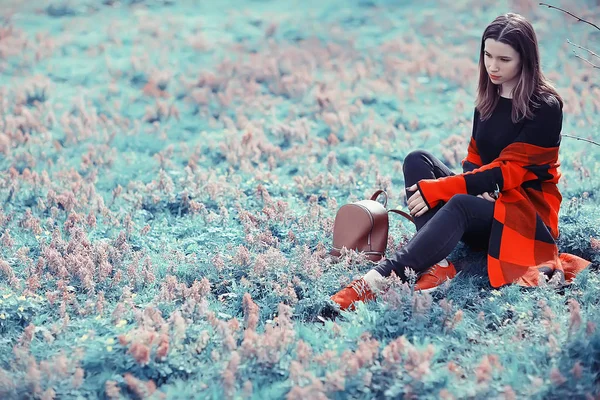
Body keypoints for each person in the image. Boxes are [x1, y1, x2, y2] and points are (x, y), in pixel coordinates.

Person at [330, 12, 591, 312]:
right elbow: (475, 161)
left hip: (526, 218)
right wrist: (473, 187)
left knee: (458, 203)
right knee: (416, 161)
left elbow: (510, 172)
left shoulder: (545, 107)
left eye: (504, 60)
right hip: (491, 204)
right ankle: (438, 264)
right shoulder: (489, 98)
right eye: (488, 55)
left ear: (526, 60)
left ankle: (377, 280)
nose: (493, 66)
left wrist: (446, 190)